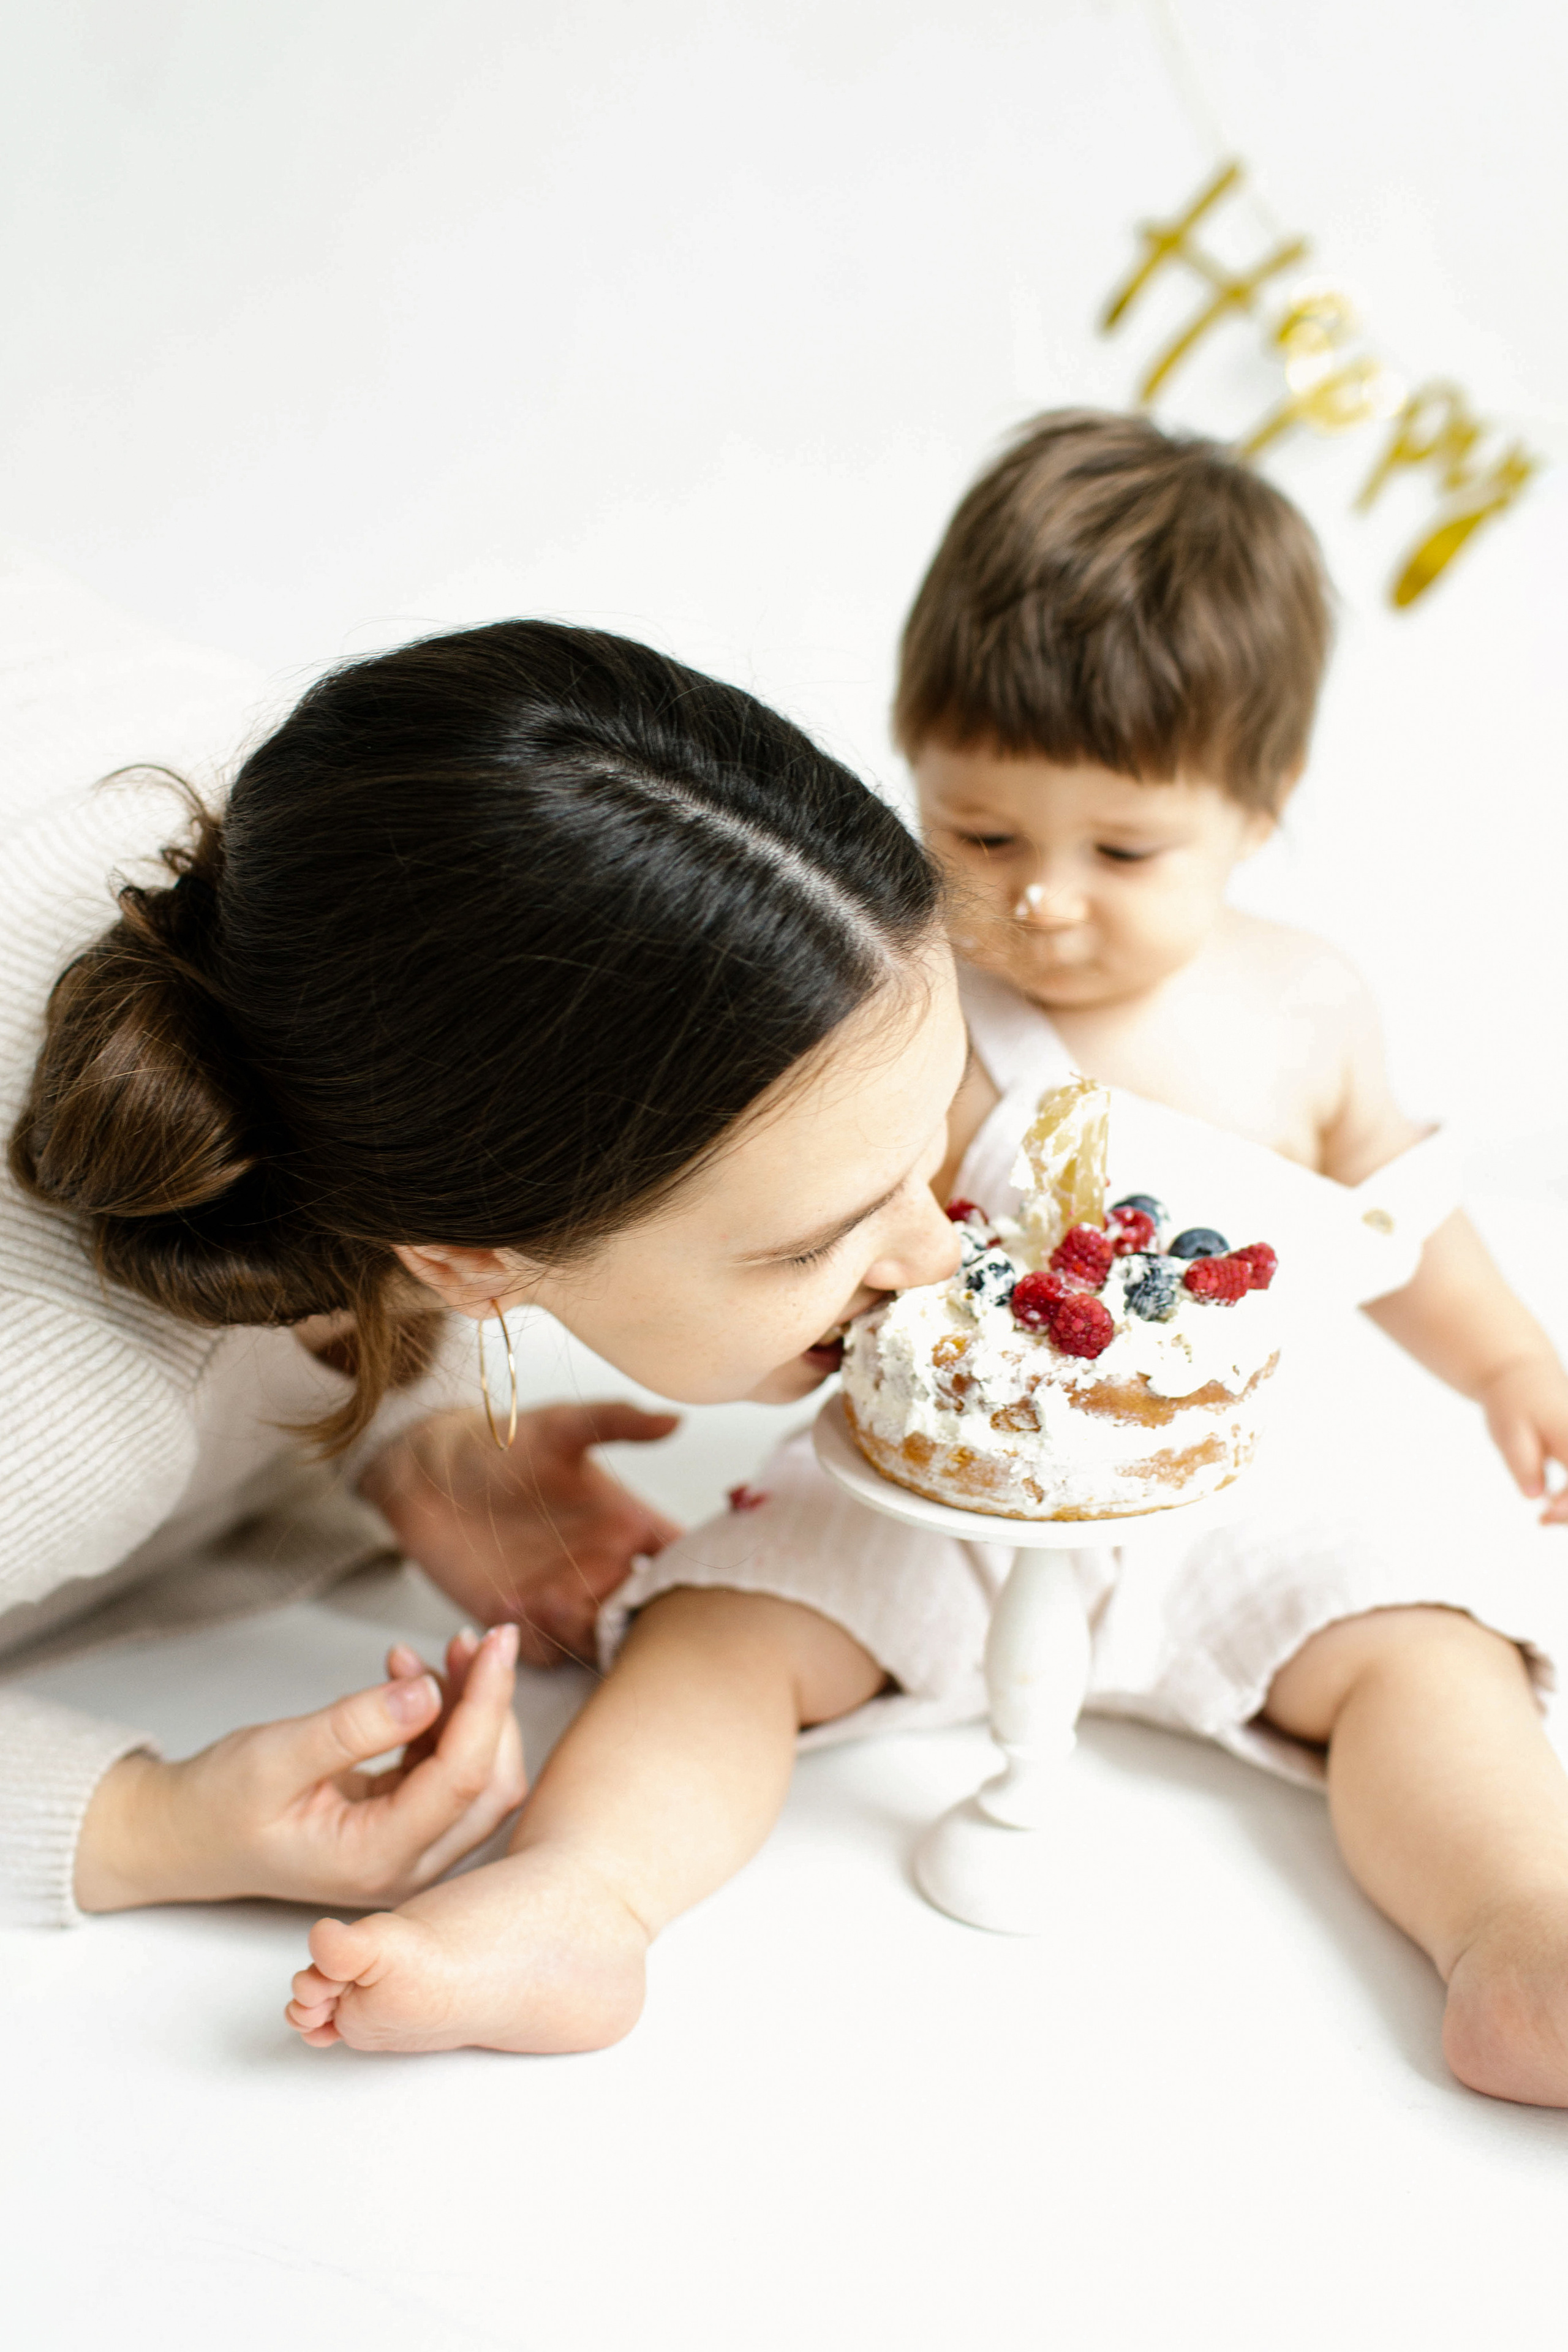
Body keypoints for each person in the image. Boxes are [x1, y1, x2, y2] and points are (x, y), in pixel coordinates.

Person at [288, 415, 1568, 2111]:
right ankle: (577, 1900)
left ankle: (1517, 1941)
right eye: (980, 836)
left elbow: (1396, 1215)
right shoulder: (900, 1002)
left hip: (1240, 1469)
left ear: (1259, 811)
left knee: (1431, 1664)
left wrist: (1505, 1365)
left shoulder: (1310, 1002)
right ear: (914, 771)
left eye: (1120, 853)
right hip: (937, 1458)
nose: (1040, 904)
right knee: (722, 1641)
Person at [2, 612, 963, 1929]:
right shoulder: (48, 1407)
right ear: (470, 1261)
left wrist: (401, 1433)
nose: (941, 1254)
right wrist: (144, 1826)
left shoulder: (371, 824)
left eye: (934, 1141)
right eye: (816, 1242)